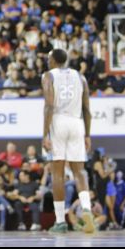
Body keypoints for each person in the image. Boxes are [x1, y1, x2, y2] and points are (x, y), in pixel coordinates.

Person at [42, 49, 94, 234]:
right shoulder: (80, 77)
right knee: (79, 171)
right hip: (77, 122)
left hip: (58, 121)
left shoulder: (49, 76)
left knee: (57, 173)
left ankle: (60, 221)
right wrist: (87, 134)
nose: (47, 61)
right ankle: (87, 209)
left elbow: (48, 106)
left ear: (54, 60)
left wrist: (45, 133)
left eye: (49, 59)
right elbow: (87, 109)